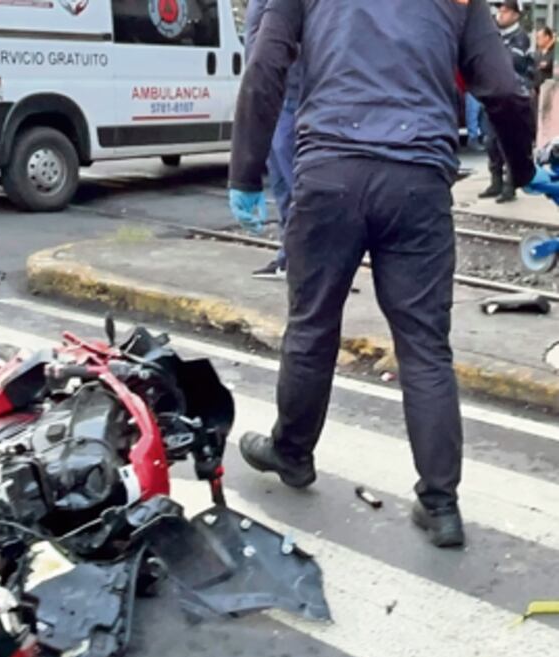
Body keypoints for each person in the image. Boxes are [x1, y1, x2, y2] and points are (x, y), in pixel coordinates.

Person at [227, 0, 536, 548]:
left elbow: (266, 64)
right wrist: (523, 166)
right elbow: (504, 91)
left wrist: (246, 170)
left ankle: (293, 454)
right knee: (424, 345)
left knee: (312, 324)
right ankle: (440, 505)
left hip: (330, 173)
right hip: (417, 182)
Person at [243, 0, 300, 280]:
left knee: (295, 185)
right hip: (272, 96)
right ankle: (288, 256)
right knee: (281, 182)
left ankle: (304, 259)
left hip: (289, 93)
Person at [479, 0, 534, 203]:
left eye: (505, 10)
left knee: (507, 143)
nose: (500, 14)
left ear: (516, 15)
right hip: (493, 96)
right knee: (490, 142)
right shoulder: (495, 36)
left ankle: (511, 186)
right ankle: (496, 182)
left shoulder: (520, 38)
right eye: (500, 9)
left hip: (511, 98)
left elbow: (514, 65)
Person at [536, 26, 555, 91]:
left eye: (539, 37)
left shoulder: (555, 53)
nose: (537, 40)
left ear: (547, 38)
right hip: (536, 91)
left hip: (550, 92)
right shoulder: (538, 53)